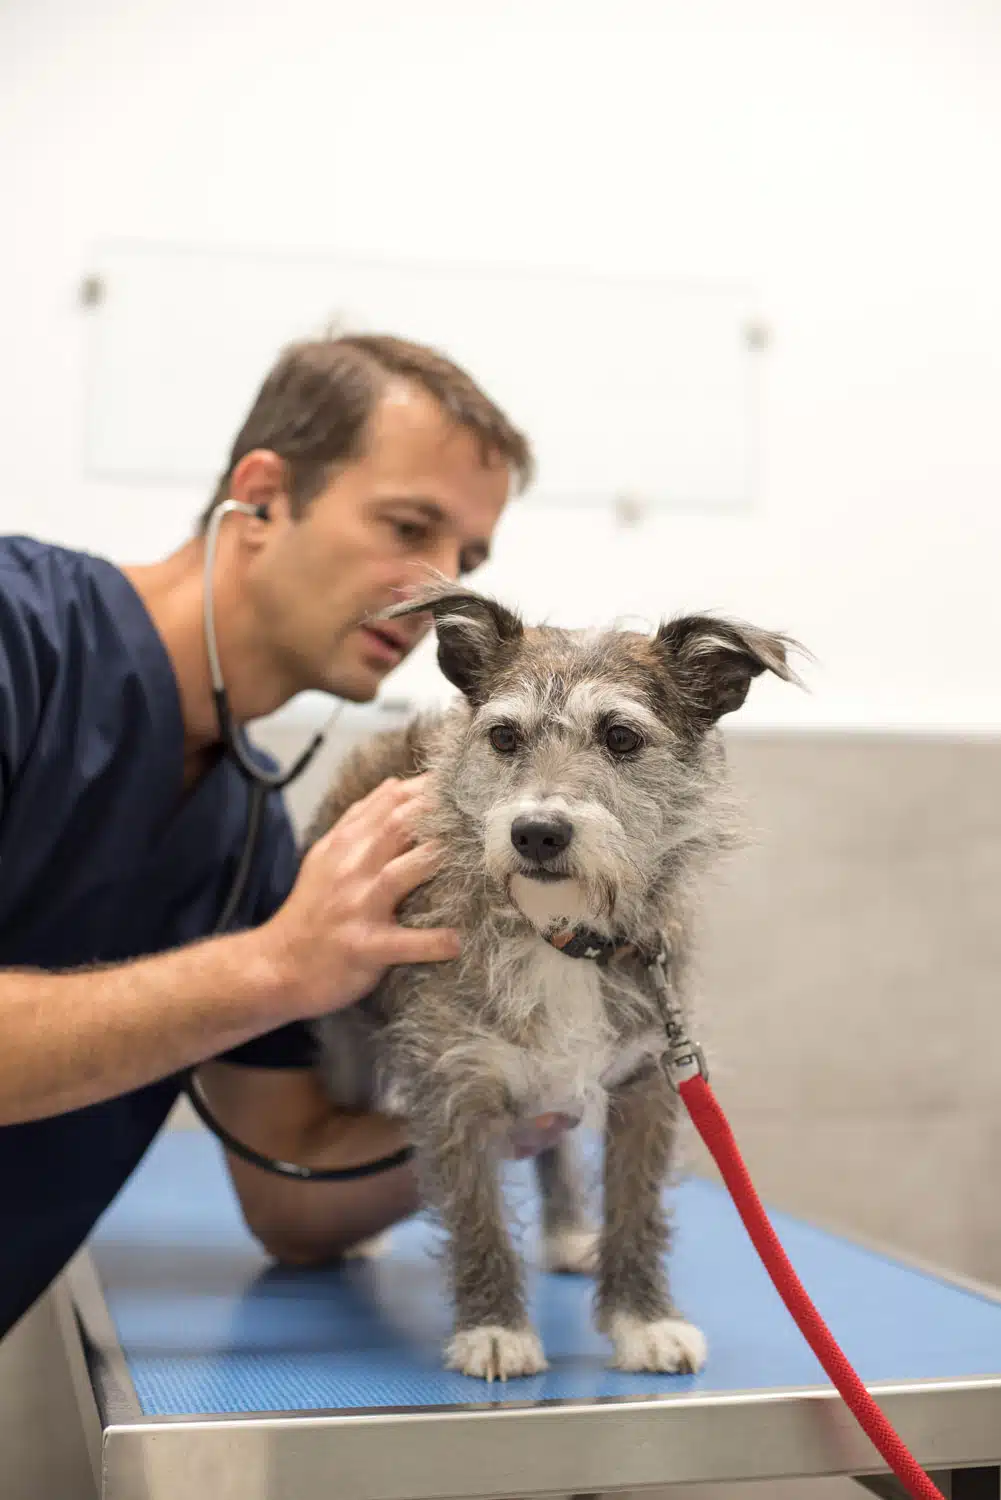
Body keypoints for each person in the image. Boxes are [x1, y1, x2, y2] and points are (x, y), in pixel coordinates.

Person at [0, 331, 566, 1343]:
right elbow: (269, 971)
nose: (442, 591)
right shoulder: (19, 635)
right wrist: (273, 968)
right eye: (409, 527)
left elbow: (291, 1197)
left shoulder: (249, 831)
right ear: (262, 495)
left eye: (468, 560)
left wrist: (508, 1111)